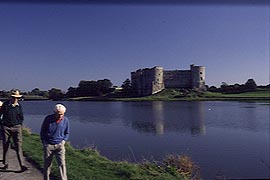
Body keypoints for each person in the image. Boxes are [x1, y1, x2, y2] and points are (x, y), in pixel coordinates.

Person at [0, 89, 28, 171]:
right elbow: (0, 114)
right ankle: (6, 164)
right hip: (6, 127)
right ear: (11, 97)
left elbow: (21, 117)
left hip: (17, 127)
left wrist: (19, 124)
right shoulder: (5, 105)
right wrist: (2, 123)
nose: (16, 99)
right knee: (6, 145)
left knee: (18, 146)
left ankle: (22, 165)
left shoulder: (19, 106)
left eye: (17, 97)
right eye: (14, 97)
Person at [40, 104, 70, 180]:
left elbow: (67, 132)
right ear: (54, 112)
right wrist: (44, 142)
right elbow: (42, 131)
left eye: (62, 114)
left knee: (62, 164)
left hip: (60, 145)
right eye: (59, 114)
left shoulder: (65, 120)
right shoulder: (48, 119)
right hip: (49, 145)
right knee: (47, 165)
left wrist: (63, 141)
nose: (60, 116)